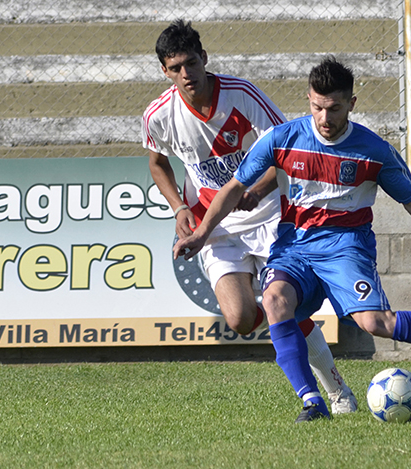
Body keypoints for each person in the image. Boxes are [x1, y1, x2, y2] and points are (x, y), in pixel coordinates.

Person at [173, 55, 411, 423]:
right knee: (275, 301)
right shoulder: (283, 138)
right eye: (317, 107)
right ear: (309, 100)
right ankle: (312, 402)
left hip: (346, 247)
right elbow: (232, 188)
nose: (324, 118)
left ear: (351, 104)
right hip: (295, 247)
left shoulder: (373, 151)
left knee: (377, 324)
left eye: (334, 108)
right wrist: (201, 232)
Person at [142, 21, 357, 414]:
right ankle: (292, 328)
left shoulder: (241, 96)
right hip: (217, 226)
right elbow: (157, 164)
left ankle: (333, 391)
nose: (186, 74)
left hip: (269, 217)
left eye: (191, 63)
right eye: (176, 68)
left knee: (285, 305)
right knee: (240, 319)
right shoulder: (159, 115)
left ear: (204, 58)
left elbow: (289, 153)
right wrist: (179, 206)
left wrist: (256, 190)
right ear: (165, 71)